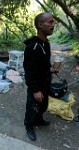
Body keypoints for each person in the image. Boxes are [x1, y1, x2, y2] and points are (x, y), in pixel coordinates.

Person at [23, 12, 55, 141]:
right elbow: (29, 71)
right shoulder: (32, 46)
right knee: (32, 107)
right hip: (36, 85)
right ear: (40, 25)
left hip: (45, 82)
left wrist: (51, 69)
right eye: (50, 22)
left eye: (53, 21)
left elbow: (43, 65)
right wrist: (35, 90)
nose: (53, 24)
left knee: (43, 105)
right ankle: (29, 125)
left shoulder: (46, 44)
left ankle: (39, 119)